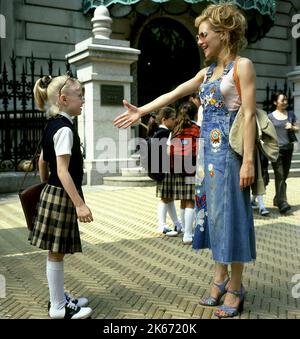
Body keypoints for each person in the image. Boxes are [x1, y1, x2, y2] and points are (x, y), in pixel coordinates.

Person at [114, 3, 256, 318]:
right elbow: (176, 92)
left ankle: (236, 286)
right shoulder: (206, 73)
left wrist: (248, 162)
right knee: (215, 219)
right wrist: (142, 110)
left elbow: (248, 115)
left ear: (224, 34)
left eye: (204, 34)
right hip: (207, 160)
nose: (199, 40)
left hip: (231, 159)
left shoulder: (241, 67)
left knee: (232, 218)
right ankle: (218, 278)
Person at [29, 75, 93, 319]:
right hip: (63, 195)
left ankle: (59, 299)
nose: (84, 101)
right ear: (64, 99)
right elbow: (63, 171)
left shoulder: (52, 123)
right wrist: (80, 204)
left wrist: (47, 184)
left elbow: (42, 161)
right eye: (80, 96)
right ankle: (58, 307)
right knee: (56, 252)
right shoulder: (65, 129)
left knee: (55, 252)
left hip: (53, 192)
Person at [167, 101, 200, 244]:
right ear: (195, 113)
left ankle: (184, 231)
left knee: (182, 200)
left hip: (177, 168)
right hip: (191, 168)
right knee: (190, 201)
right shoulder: (197, 129)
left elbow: (168, 151)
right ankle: (188, 234)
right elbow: (200, 151)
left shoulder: (176, 129)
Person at [147, 107, 182, 236]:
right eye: (172, 119)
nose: (175, 121)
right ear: (164, 119)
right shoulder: (165, 133)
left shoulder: (159, 132)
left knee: (168, 198)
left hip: (164, 169)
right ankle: (161, 225)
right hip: (165, 170)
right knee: (165, 199)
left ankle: (177, 224)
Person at [268, 91, 299, 214]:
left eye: (286, 100)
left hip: (288, 149)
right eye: (282, 100)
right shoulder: (270, 117)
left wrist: (292, 127)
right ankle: (283, 203)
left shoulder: (290, 114)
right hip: (276, 150)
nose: (285, 102)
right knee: (279, 175)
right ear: (276, 102)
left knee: (284, 176)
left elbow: (297, 128)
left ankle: (277, 198)